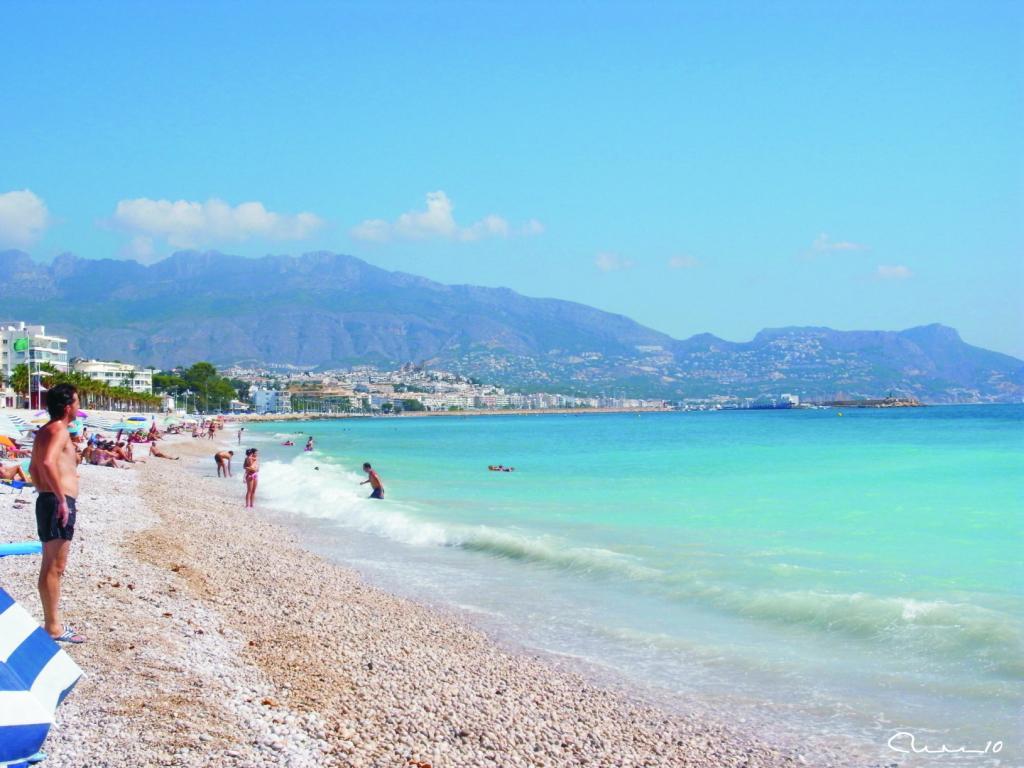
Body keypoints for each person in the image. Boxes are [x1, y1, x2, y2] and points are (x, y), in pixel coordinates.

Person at [29, 383, 86, 643]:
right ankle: (53, 627)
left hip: (48, 499)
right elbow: (47, 462)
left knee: (54, 565)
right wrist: (61, 499)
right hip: (57, 502)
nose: (78, 406)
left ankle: (53, 624)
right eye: (76, 402)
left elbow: (33, 467)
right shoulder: (60, 430)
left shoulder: (45, 431)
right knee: (54, 566)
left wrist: (46, 490)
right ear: (67, 407)